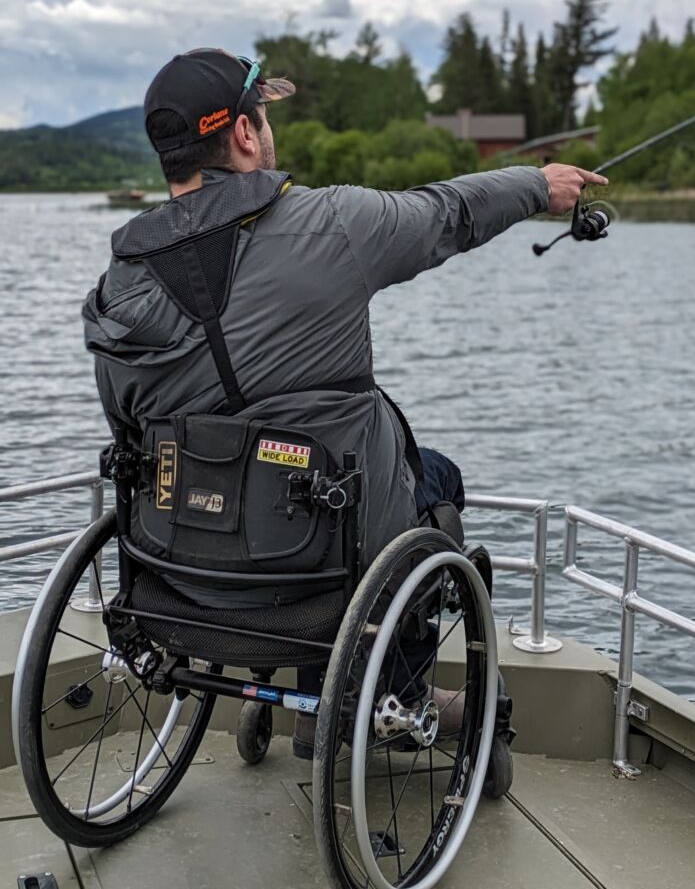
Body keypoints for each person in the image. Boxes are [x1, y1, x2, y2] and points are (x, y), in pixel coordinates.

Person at [83, 47, 608, 757]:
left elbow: (127, 432)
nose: (268, 127)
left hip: (176, 562)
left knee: (297, 485)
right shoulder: (330, 223)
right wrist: (535, 184)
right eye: (262, 113)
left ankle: (310, 699)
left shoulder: (121, 275)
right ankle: (395, 691)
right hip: (314, 562)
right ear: (242, 133)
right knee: (430, 480)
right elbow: (446, 211)